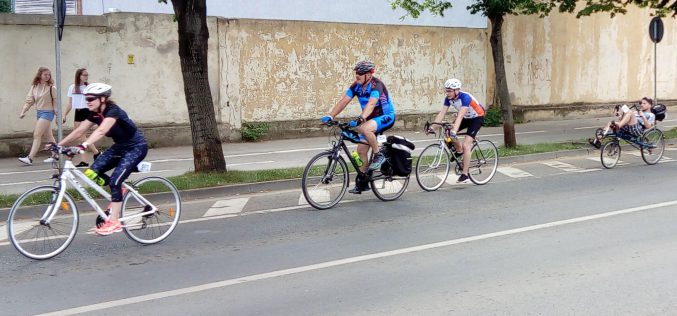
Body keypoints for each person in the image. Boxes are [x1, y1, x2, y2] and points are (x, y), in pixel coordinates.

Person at [56, 83, 148, 236]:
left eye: (91, 98)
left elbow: (101, 130)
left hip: (136, 147)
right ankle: (120, 192)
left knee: (115, 181)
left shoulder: (113, 111)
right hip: (119, 147)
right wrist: (57, 145)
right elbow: (79, 130)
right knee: (91, 173)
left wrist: (83, 146)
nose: (88, 101)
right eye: (86, 98)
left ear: (103, 99)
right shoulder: (95, 114)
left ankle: (114, 221)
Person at [321, 60, 396, 194]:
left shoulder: (376, 85)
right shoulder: (356, 86)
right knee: (361, 151)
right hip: (370, 119)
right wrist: (331, 116)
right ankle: (363, 182)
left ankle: (378, 154)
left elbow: (372, 104)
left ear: (369, 74)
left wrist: (360, 118)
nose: (357, 75)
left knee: (364, 128)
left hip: (386, 116)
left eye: (360, 73)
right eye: (356, 73)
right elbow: (344, 101)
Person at [430, 78, 485, 184]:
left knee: (466, 144)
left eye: (450, 91)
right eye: (446, 90)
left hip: (477, 117)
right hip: (466, 117)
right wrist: (432, 127)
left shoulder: (465, 97)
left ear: (457, 90)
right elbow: (442, 113)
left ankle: (465, 174)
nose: (447, 93)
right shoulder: (448, 98)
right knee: (447, 133)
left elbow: (460, 116)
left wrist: (454, 131)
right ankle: (459, 151)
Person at [18, 67, 58, 165]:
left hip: (48, 112)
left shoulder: (51, 88)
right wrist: (23, 111)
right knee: (49, 136)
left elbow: (56, 102)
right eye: (45, 74)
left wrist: (58, 115)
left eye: (49, 75)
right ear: (40, 75)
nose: (47, 76)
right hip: (39, 112)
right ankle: (56, 155)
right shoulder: (35, 86)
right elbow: (29, 100)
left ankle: (30, 158)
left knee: (37, 134)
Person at [62, 68, 100, 167]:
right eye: (84, 75)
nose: (86, 77)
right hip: (77, 112)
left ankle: (96, 152)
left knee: (81, 136)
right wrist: (65, 114)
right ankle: (84, 160)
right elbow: (70, 103)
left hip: (86, 111)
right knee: (79, 138)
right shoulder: (72, 87)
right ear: (78, 75)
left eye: (87, 75)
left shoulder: (88, 87)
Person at [589, 97, 655, 148]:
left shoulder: (651, 115)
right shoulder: (636, 112)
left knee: (629, 112)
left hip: (637, 129)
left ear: (650, 105)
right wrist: (619, 115)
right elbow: (625, 119)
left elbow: (648, 126)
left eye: (644, 103)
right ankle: (598, 141)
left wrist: (643, 116)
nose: (641, 105)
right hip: (627, 127)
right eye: (641, 103)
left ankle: (619, 126)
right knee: (610, 123)